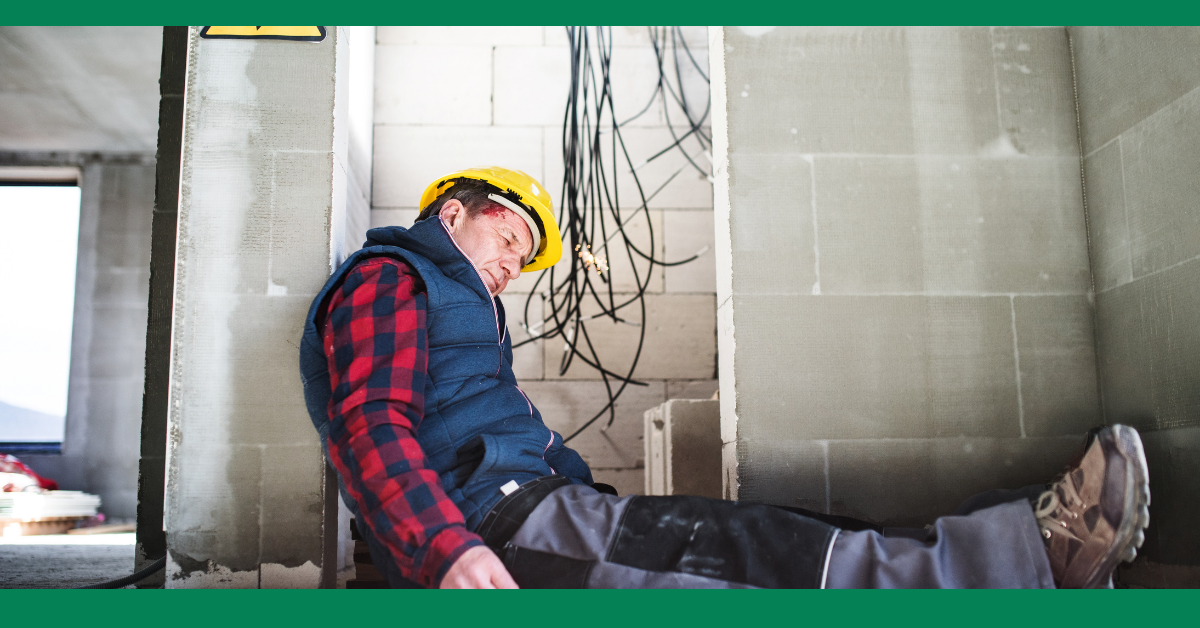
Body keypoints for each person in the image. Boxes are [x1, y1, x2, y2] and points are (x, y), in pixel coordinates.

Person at [299, 167, 1151, 589]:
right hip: (495, 520)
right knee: (762, 558)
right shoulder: (393, 279)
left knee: (789, 527)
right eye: (511, 240)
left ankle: (1019, 543)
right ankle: (1032, 558)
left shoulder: (455, 304)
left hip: (536, 505)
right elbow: (370, 426)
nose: (516, 265)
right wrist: (446, 549)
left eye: (524, 253)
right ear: (454, 214)